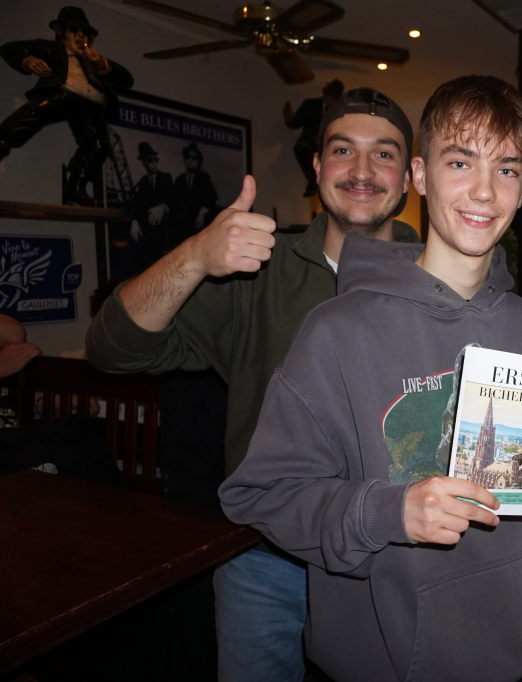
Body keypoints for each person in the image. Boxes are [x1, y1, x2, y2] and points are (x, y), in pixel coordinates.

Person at [219, 75, 522, 682]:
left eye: (506, 169)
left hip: (518, 643)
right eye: (460, 162)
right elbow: (261, 494)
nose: (484, 190)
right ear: (420, 176)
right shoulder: (336, 330)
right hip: (386, 655)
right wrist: (391, 512)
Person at [86, 87, 420, 682]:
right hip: (264, 561)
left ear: (410, 177)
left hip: (391, 562)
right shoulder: (254, 269)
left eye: (384, 153)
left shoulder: (439, 279)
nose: (362, 170)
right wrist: (194, 255)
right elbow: (112, 349)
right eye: (343, 150)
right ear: (317, 166)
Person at [0, 6, 133, 205]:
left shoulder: (92, 59)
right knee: (32, 114)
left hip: (91, 105)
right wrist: (27, 60)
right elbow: (9, 48)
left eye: (84, 32)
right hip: (63, 94)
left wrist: (101, 63)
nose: (80, 36)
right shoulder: (53, 49)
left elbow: (127, 79)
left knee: (98, 147)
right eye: (74, 30)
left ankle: (75, 188)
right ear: (61, 32)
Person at [284, 78, 344, 197]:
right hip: (308, 143)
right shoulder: (310, 105)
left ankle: (323, 184)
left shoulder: (339, 113)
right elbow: (295, 123)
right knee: (301, 148)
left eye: (334, 98)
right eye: (330, 96)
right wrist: (288, 117)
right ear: (325, 93)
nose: (330, 101)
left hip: (327, 145)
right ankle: (313, 179)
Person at [130, 141, 179, 269]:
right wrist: (134, 220)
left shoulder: (166, 178)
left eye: (156, 159)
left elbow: (174, 198)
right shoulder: (143, 182)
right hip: (150, 235)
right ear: (144, 163)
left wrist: (163, 206)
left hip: (166, 234)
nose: (154, 163)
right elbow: (138, 204)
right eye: (150, 160)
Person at [175, 142, 219, 234]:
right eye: (188, 157)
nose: (190, 160)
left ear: (198, 161)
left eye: (194, 158)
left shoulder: (204, 178)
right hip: (182, 224)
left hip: (199, 224)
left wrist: (202, 212)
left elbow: (212, 196)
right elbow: (174, 198)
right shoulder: (179, 179)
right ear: (184, 159)